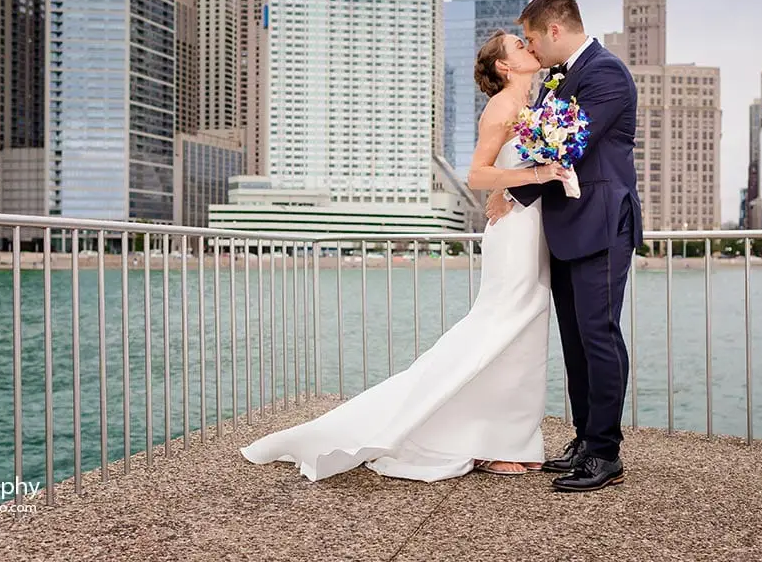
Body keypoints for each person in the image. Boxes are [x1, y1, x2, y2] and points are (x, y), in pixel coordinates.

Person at [240, 31, 570, 481]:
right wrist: (526, 176)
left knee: (527, 331)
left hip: (535, 227)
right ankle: (479, 440)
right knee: (500, 325)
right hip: (512, 234)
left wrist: (514, 185)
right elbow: (477, 172)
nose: (528, 47)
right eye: (518, 45)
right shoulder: (501, 107)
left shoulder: (540, 106)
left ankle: (513, 438)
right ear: (504, 67)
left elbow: (512, 174)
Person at [489, 0, 642, 492]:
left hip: (601, 222)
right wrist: (513, 192)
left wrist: (514, 178)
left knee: (599, 334)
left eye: (532, 39)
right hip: (566, 225)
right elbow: (548, 147)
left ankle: (605, 451)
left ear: (555, 30)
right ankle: (583, 440)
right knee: (575, 340)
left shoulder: (605, 73)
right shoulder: (560, 77)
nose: (531, 49)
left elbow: (568, 143)